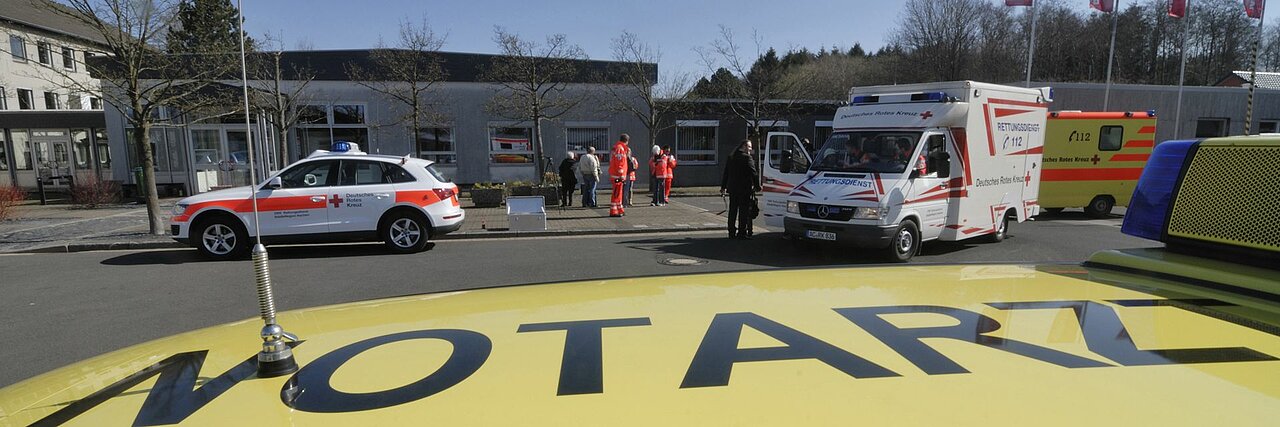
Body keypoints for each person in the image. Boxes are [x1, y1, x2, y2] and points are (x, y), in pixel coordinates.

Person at [721, 139, 760, 239]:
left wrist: (723, 187)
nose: (750, 149)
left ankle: (731, 232)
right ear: (744, 146)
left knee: (732, 210)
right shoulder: (747, 158)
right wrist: (757, 186)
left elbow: (726, 173)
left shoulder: (731, 157)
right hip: (744, 189)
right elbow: (754, 173)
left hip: (733, 188)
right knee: (743, 211)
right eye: (749, 147)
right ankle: (742, 232)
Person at [608, 134, 632, 217]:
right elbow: (620, 162)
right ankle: (614, 211)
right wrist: (621, 173)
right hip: (617, 176)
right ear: (627, 141)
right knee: (616, 193)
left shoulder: (617, 147)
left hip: (616, 175)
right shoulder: (620, 149)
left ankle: (619, 209)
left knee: (618, 192)